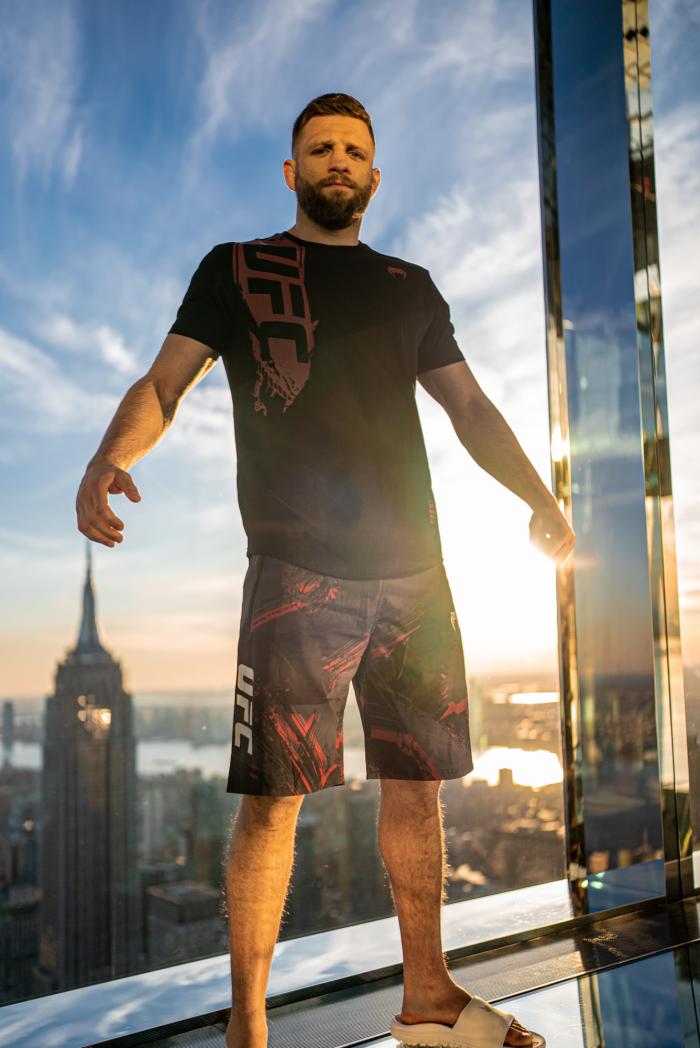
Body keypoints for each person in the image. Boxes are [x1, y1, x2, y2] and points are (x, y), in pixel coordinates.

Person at [76, 92, 571, 1048]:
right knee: (272, 803)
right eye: (319, 150)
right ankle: (249, 1031)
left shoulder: (410, 286)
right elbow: (164, 383)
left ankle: (428, 995)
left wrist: (538, 496)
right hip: (301, 572)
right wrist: (111, 457)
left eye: (353, 150)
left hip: (418, 574)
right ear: (293, 171)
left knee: (417, 785)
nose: (336, 162)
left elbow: (469, 410)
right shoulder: (237, 269)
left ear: (375, 177)